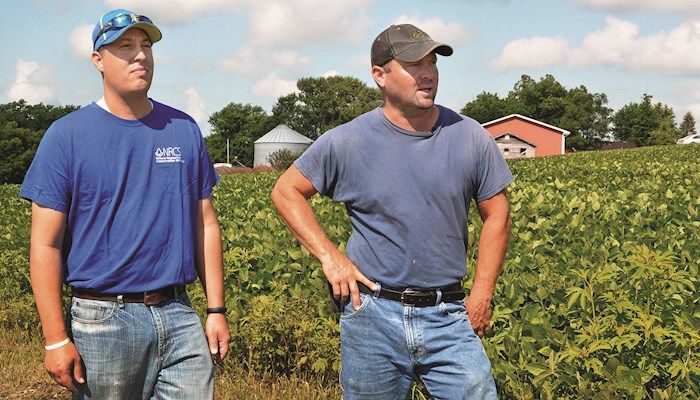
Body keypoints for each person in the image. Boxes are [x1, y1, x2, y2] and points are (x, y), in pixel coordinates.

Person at [271, 23, 512, 399]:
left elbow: (497, 212)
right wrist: (331, 258)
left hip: (449, 315)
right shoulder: (348, 141)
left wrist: (482, 293)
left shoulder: (469, 135)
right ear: (379, 75)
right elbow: (286, 191)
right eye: (415, 64)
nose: (428, 73)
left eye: (432, 63)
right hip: (372, 315)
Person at [20, 9, 230, 399]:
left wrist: (216, 309)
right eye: (125, 47)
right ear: (98, 60)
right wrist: (54, 338)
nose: (140, 56)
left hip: (179, 313)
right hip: (103, 321)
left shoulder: (183, 129)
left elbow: (205, 223)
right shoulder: (66, 136)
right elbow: (45, 244)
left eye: (146, 46)